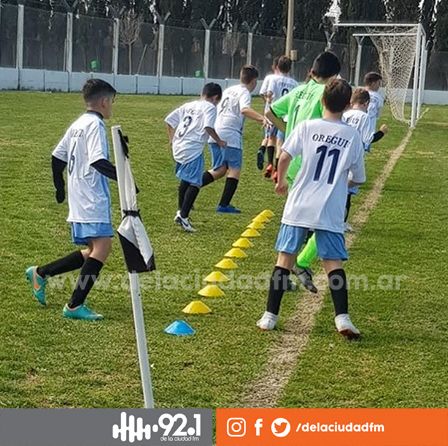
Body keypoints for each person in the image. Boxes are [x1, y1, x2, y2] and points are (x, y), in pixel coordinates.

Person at [257, 79, 366, 339]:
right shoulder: (352, 135)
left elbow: (285, 156)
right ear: (348, 105)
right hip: (330, 208)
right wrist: (342, 183)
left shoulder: (307, 127)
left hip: (299, 204)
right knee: (333, 263)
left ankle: (270, 316)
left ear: (322, 100)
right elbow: (359, 177)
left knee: (285, 259)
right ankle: (342, 318)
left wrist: (281, 182)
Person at [25, 79, 119, 321]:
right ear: (104, 101)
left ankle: (41, 273)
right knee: (103, 247)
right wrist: (124, 178)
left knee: (93, 250)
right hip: (91, 197)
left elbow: (57, 158)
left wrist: (60, 187)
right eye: (112, 102)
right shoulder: (95, 125)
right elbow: (98, 161)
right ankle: (75, 305)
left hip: (79, 197)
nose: (112, 106)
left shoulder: (77, 124)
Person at [266, 51, 341, 293]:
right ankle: (299, 264)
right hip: (311, 164)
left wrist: (288, 130)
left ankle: (288, 272)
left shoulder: (299, 90)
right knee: (324, 220)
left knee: (298, 221)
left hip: (291, 161)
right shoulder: (324, 93)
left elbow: (269, 112)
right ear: (333, 75)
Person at [201, 65, 266, 213]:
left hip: (216, 131)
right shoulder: (245, 92)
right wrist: (262, 119)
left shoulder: (229, 90)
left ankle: (189, 188)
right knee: (235, 168)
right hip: (230, 134)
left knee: (220, 169)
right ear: (254, 81)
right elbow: (244, 109)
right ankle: (223, 205)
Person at [165, 83, 224, 233]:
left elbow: (169, 121)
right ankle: (184, 216)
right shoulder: (210, 107)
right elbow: (208, 127)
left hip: (179, 146)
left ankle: (180, 211)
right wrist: (219, 141)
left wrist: (171, 140)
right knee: (195, 182)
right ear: (216, 97)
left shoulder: (189, 105)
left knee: (186, 179)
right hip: (192, 148)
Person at [343, 87, 388, 230]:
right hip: (354, 157)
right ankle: (342, 223)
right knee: (347, 191)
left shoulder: (344, 114)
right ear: (366, 103)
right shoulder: (365, 117)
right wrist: (381, 132)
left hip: (339, 153)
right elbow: (368, 139)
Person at [260, 55, 298, 180]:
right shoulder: (294, 83)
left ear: (277, 66)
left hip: (273, 112)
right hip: (286, 116)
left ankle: (270, 164)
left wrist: (267, 107)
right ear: (290, 68)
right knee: (280, 143)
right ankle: (277, 170)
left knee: (270, 138)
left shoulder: (273, 79)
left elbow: (269, 95)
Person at [257, 56, 280, 172]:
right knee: (276, 139)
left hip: (269, 111)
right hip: (281, 112)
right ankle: (273, 164)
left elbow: (262, 93)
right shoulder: (283, 80)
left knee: (268, 136)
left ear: (273, 66)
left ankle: (262, 149)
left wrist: (266, 102)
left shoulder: (269, 78)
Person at [364, 71, 385, 151]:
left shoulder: (357, 93)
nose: (379, 86)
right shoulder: (378, 97)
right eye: (378, 83)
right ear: (373, 83)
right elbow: (378, 115)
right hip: (368, 130)